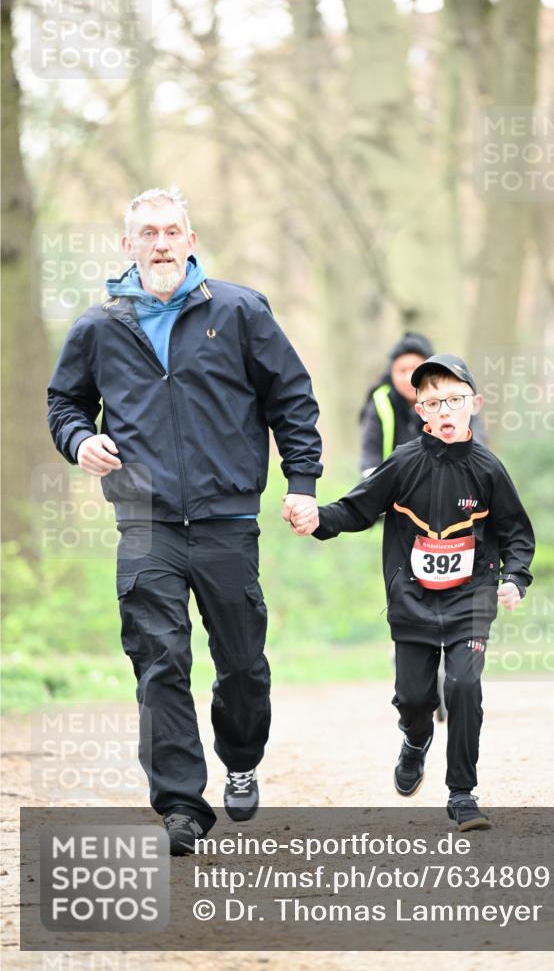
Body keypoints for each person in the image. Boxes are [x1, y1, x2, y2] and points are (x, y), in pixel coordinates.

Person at [47, 187, 322, 855]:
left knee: (242, 665)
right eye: (149, 233)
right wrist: (80, 441)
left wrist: (302, 482)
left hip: (228, 517)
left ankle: (242, 758)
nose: (162, 243)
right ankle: (180, 805)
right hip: (145, 522)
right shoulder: (98, 327)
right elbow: (64, 403)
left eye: (172, 231)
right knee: (159, 661)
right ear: (128, 245)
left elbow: (291, 397)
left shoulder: (239, 310)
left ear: (190, 240)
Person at [291, 353, 534, 831]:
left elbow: (516, 532)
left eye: (455, 400)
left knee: (462, 686)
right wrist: (318, 519)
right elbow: (357, 509)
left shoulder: (488, 469)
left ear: (475, 404)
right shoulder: (403, 462)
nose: (445, 411)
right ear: (420, 410)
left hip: (470, 597)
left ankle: (462, 794)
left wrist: (515, 577)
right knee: (415, 697)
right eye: (434, 403)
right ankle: (415, 738)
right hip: (412, 597)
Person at [359, 333, 434, 478]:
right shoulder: (380, 401)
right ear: (391, 373)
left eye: (415, 369)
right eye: (402, 371)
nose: (409, 378)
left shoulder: (450, 399)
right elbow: (370, 458)